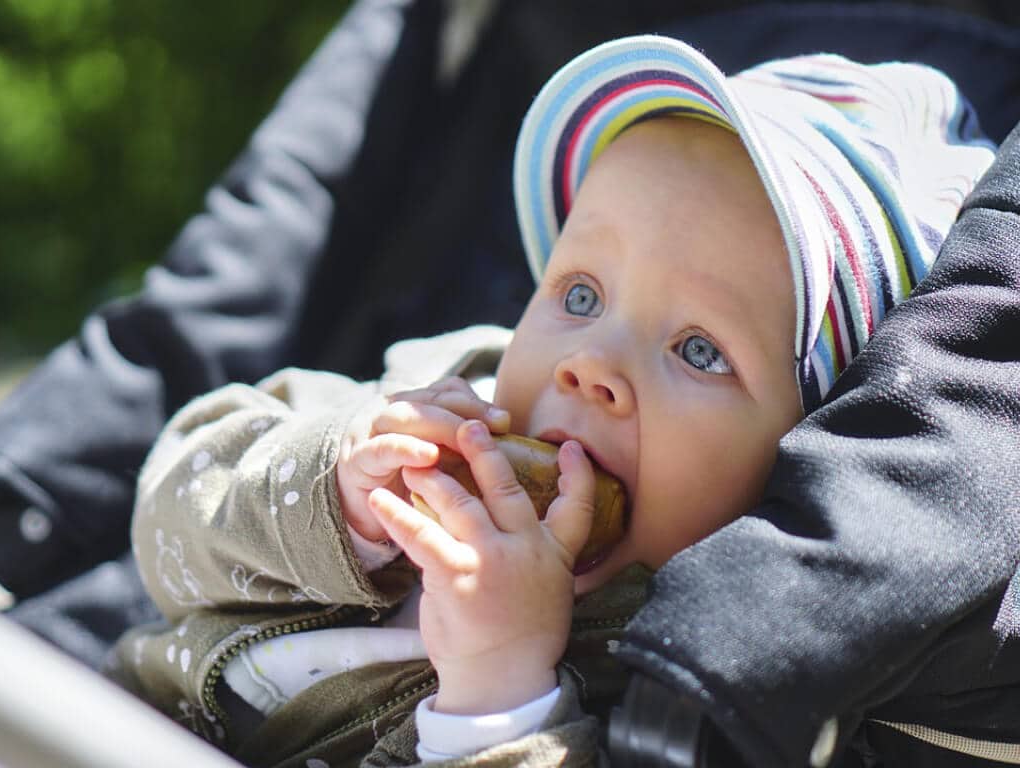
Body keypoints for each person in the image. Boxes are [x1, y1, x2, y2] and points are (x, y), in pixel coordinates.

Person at [105, 36, 994, 766]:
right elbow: (162, 526)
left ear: (802, 448)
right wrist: (331, 495)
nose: (589, 364)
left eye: (698, 349)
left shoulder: (687, 678)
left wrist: (505, 692)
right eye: (579, 296)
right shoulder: (427, 398)